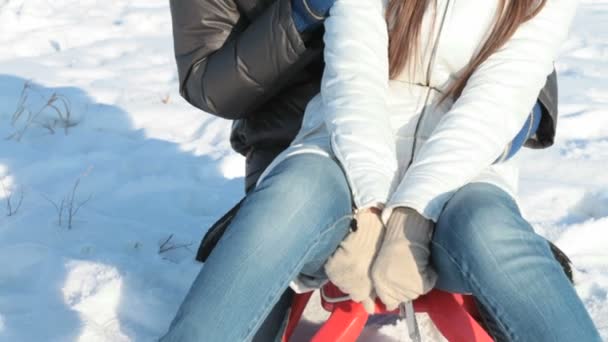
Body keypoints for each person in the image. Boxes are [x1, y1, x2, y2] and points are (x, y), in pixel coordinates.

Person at [163, 0, 601, 342]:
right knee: (288, 200)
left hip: (462, 165)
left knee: (490, 230)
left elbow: (498, 102)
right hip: (342, 146)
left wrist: (413, 211)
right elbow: (354, 74)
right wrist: (371, 203)